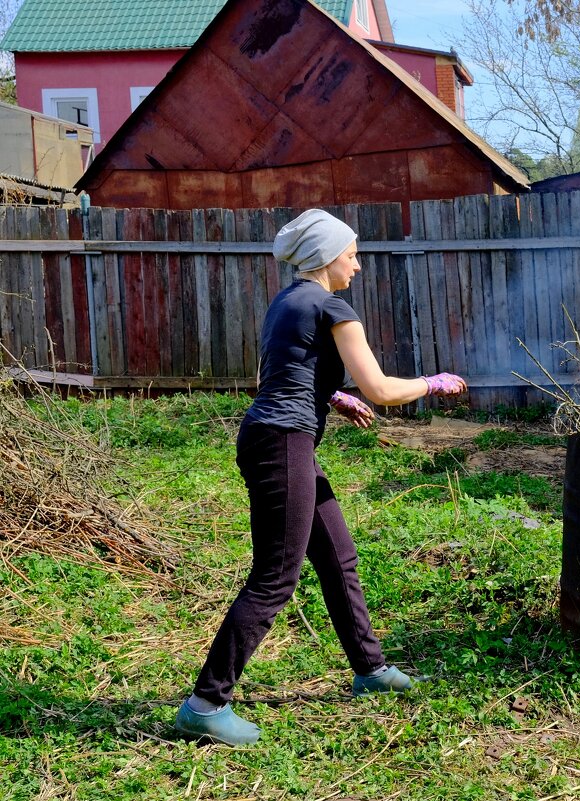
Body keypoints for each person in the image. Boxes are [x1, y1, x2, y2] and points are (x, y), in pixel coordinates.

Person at [174, 209, 467, 746]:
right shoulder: (332, 305)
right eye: (351, 253)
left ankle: (371, 670)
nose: (357, 264)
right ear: (327, 256)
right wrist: (432, 382)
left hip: (276, 437)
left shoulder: (288, 300)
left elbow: (281, 371)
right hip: (283, 443)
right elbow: (381, 388)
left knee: (337, 556)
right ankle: (205, 703)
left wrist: (333, 395)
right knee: (276, 577)